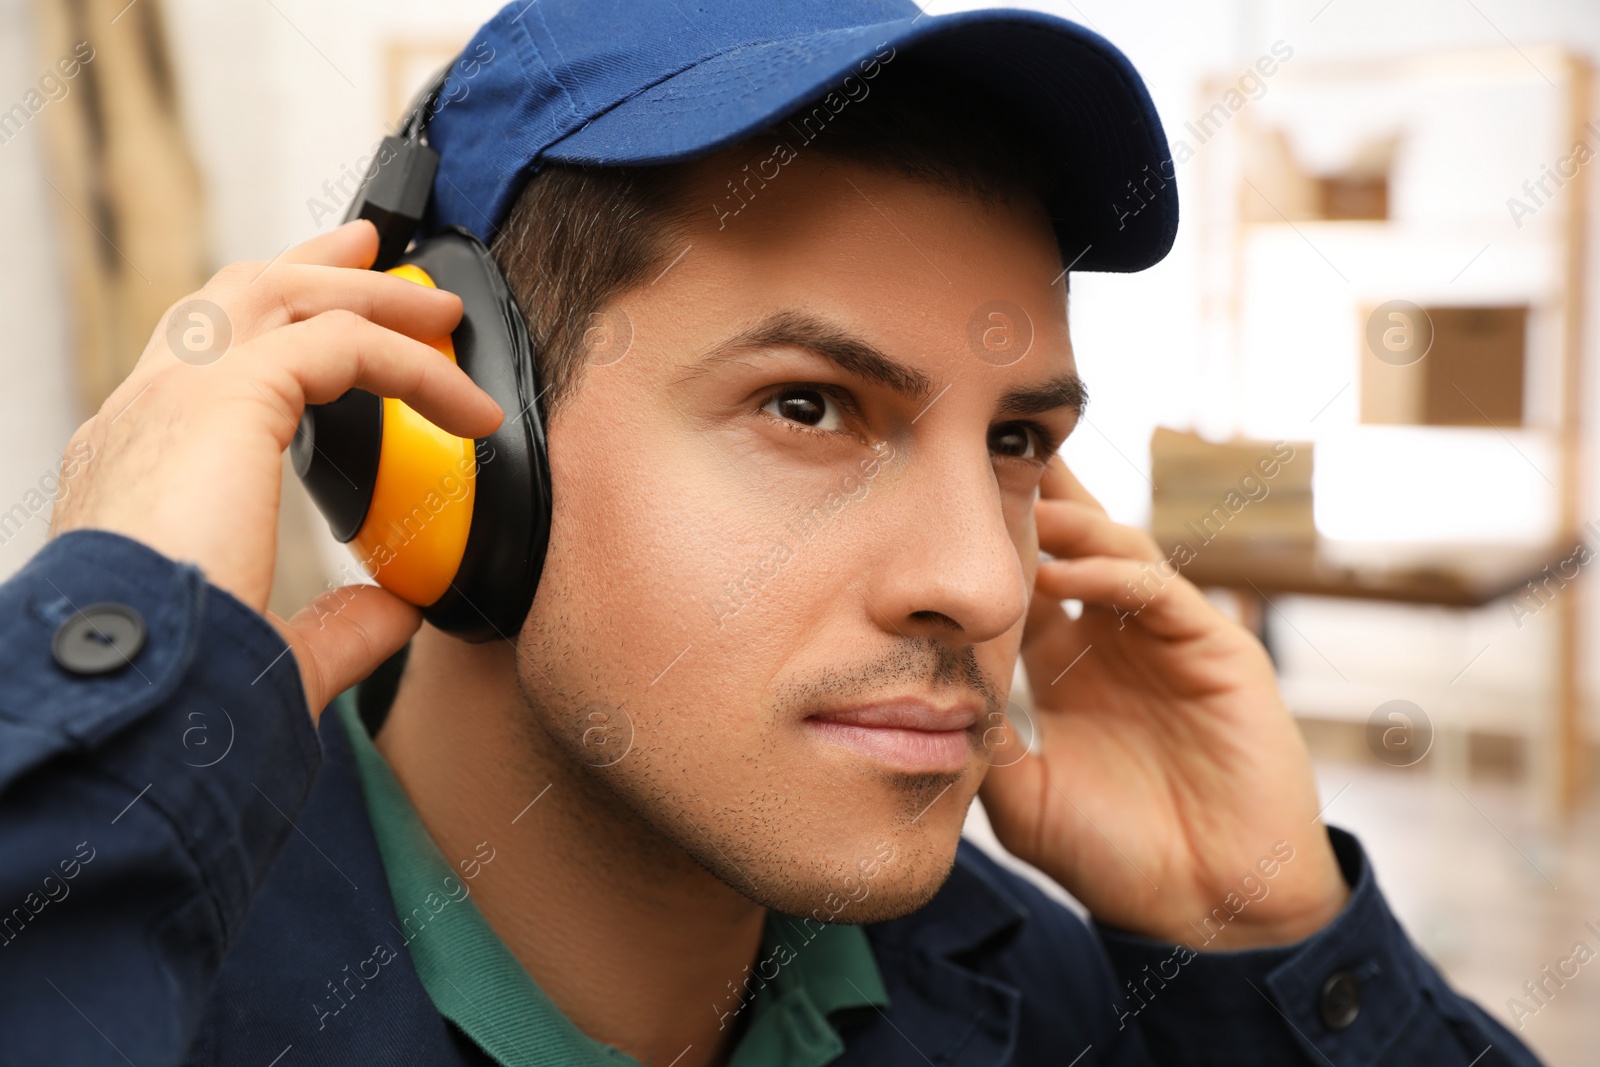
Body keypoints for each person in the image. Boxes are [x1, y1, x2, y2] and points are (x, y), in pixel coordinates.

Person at [0, 2, 1539, 1065]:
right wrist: (119, 666)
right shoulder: (127, 973)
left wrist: (1272, 946)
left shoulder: (1061, 998)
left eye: (1015, 440)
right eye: (811, 409)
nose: (982, 579)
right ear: (445, 436)